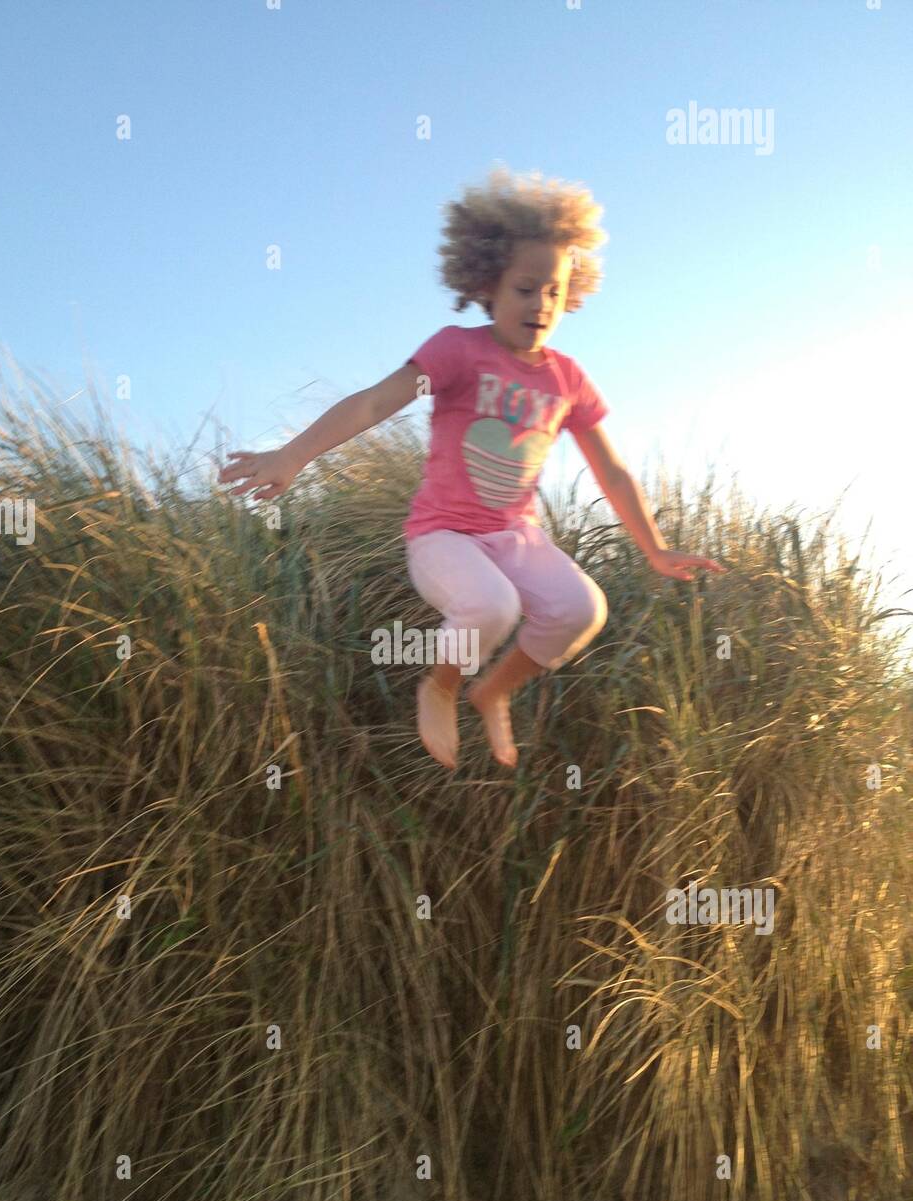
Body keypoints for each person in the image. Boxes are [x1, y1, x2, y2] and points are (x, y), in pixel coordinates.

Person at [219, 164, 725, 771]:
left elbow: (611, 472)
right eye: (525, 287)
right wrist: (293, 455)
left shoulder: (567, 380)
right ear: (489, 284)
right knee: (492, 607)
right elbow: (378, 400)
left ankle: (493, 691)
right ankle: (442, 686)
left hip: (516, 537)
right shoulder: (457, 352)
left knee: (582, 609)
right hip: (443, 536)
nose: (541, 304)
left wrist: (655, 548)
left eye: (555, 292)